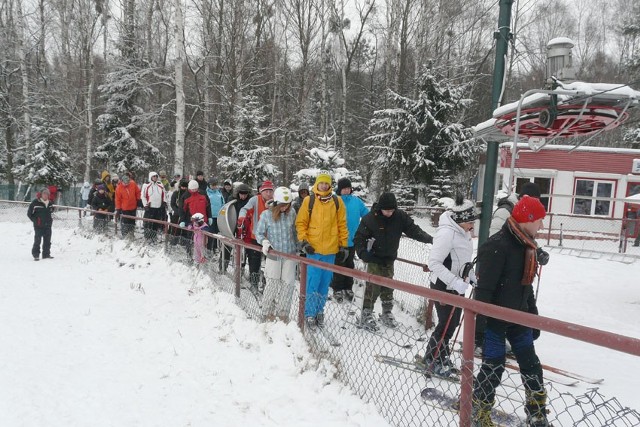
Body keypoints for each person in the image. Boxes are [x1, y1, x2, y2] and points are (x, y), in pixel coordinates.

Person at [472, 195, 549, 427]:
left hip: (518, 318)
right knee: (493, 368)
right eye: (540, 221)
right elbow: (483, 291)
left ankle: (537, 413)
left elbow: (527, 287)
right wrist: (481, 328)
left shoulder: (528, 247)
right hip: (495, 320)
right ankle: (479, 412)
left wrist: (532, 317)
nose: (542, 226)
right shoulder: (496, 246)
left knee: (532, 366)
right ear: (529, 219)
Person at [481, 182, 549, 354]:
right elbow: (497, 238)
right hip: (498, 265)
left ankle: (508, 338)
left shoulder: (526, 214)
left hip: (516, 269)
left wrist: (537, 252)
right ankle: (490, 339)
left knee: (519, 297)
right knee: (498, 301)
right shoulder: (505, 210)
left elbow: (524, 237)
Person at [353, 192, 433, 330]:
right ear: (380, 208)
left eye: (391, 210)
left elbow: (413, 230)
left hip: (389, 258)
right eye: (386, 210)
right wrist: (362, 253)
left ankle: (387, 312)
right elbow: (358, 238)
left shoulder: (400, 217)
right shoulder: (370, 219)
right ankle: (366, 313)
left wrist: (430, 239)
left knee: (388, 286)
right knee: (373, 286)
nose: (389, 213)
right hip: (374, 258)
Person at [421, 196, 477, 377]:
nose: (472, 226)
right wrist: (454, 282)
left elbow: (463, 260)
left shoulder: (463, 233)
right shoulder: (446, 233)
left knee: (452, 325)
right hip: (442, 285)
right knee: (445, 323)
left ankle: (442, 355)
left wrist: (470, 275)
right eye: (470, 222)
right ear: (460, 220)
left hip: (458, 285)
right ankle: (431, 358)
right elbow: (434, 263)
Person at [295, 171, 349, 330]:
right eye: (321, 183)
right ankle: (309, 313)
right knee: (313, 282)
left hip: (331, 250)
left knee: (325, 284)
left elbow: (342, 225)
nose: (324, 186)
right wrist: (304, 242)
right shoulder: (309, 201)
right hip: (314, 250)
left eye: (326, 183)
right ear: (317, 184)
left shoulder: (337, 201)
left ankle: (320, 311)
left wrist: (343, 245)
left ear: (330, 185)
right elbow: (301, 223)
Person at [255, 187, 298, 321]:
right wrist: (264, 242)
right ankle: (267, 311)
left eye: (287, 205)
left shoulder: (292, 213)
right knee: (272, 283)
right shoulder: (266, 215)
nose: (285, 208)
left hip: (290, 254)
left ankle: (283, 313)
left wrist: (300, 246)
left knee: (288, 284)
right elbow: (259, 233)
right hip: (274, 254)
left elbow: (295, 232)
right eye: (282, 205)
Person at [331, 177, 369, 303]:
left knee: (349, 265)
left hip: (353, 240)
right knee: (338, 265)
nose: (346, 191)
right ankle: (337, 289)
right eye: (344, 188)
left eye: (348, 188)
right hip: (338, 241)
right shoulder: (335, 201)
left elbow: (366, 214)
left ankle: (348, 287)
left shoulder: (356, 201)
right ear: (339, 190)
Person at [237, 180, 275, 290]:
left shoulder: (276, 202)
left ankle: (267, 285)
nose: (268, 193)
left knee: (270, 264)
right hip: (256, 237)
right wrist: (242, 217)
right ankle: (253, 283)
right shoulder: (255, 200)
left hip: (271, 238)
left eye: (270, 191)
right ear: (261, 191)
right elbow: (245, 209)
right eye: (266, 191)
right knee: (254, 261)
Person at [220, 183, 252, 272]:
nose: (243, 196)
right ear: (238, 193)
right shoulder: (232, 200)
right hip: (232, 223)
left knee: (243, 249)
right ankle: (223, 266)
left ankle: (240, 268)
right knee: (227, 245)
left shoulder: (250, 201)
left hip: (244, 226)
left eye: (245, 194)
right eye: (241, 194)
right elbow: (227, 211)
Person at [180, 180, 213, 259]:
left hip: (203, 221)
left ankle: (204, 257)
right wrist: (182, 220)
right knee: (191, 240)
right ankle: (190, 256)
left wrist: (210, 216)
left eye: (195, 189)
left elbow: (208, 206)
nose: (194, 190)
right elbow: (182, 210)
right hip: (191, 222)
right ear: (189, 189)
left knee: (205, 240)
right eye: (192, 189)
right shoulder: (185, 196)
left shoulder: (203, 193)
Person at [27, 187, 55, 261]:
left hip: (48, 225)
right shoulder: (35, 202)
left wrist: (50, 220)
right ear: (41, 194)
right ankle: (36, 255)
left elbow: (51, 212)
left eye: (47, 194)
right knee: (37, 240)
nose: (45, 195)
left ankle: (46, 254)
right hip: (38, 226)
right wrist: (36, 221)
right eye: (44, 193)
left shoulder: (50, 203)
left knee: (47, 241)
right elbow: (29, 214)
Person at [141, 172, 167, 242]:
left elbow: (164, 193)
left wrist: (164, 201)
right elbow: (143, 196)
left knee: (156, 223)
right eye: (153, 176)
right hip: (150, 207)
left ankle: (154, 236)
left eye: (156, 176)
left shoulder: (160, 185)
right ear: (150, 177)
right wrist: (145, 205)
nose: (155, 177)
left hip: (158, 207)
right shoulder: (146, 185)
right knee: (148, 223)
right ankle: (147, 237)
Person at [115, 172, 141, 238]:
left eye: (128, 182)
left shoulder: (133, 183)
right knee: (125, 222)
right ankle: (125, 234)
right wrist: (118, 208)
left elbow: (137, 192)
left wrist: (138, 199)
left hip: (133, 206)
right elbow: (117, 199)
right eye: (125, 183)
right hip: (125, 208)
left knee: (132, 221)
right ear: (122, 181)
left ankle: (131, 233)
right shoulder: (119, 188)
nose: (127, 184)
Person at [206, 177, 226, 252]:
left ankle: (215, 248)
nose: (214, 186)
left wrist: (222, 215)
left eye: (215, 184)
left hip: (218, 217)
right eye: (212, 185)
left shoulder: (219, 193)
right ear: (209, 185)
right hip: (210, 217)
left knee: (217, 233)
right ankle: (209, 249)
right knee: (211, 233)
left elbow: (223, 204)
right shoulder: (207, 193)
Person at [169, 179, 190, 245]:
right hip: (177, 213)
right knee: (175, 228)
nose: (184, 188)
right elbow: (172, 204)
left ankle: (183, 242)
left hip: (185, 214)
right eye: (182, 187)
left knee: (184, 229)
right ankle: (173, 241)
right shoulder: (176, 193)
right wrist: (177, 211)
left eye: (185, 187)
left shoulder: (188, 194)